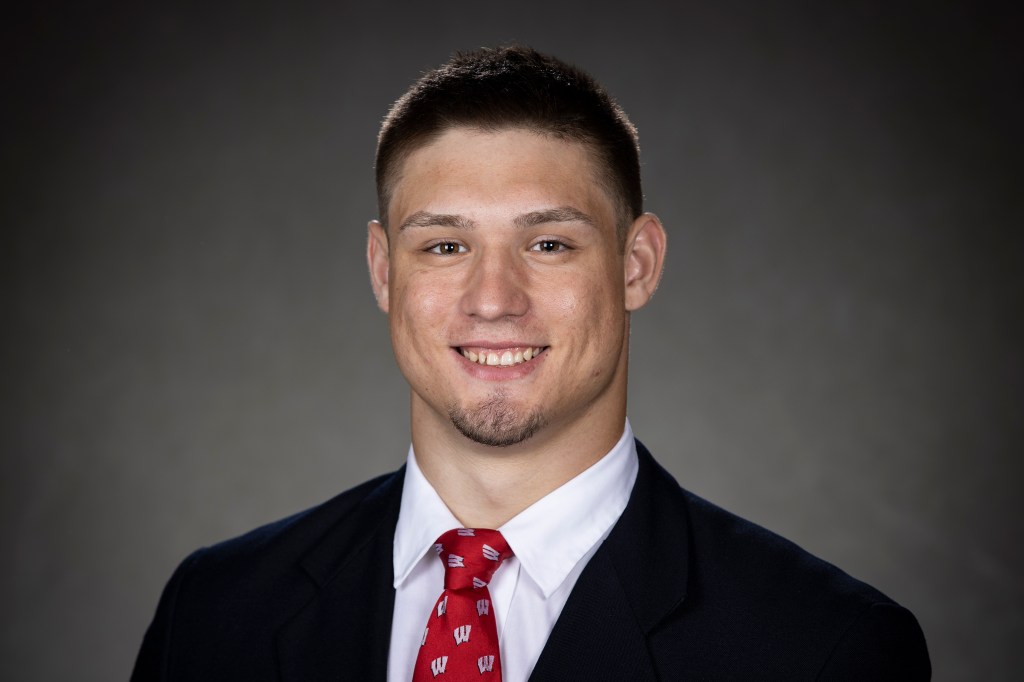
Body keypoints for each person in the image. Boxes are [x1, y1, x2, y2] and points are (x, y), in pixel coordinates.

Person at [131, 45, 931, 681]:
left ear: (637, 265)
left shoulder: (824, 649)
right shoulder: (213, 613)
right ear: (382, 271)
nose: (493, 300)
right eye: (445, 246)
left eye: (548, 244)